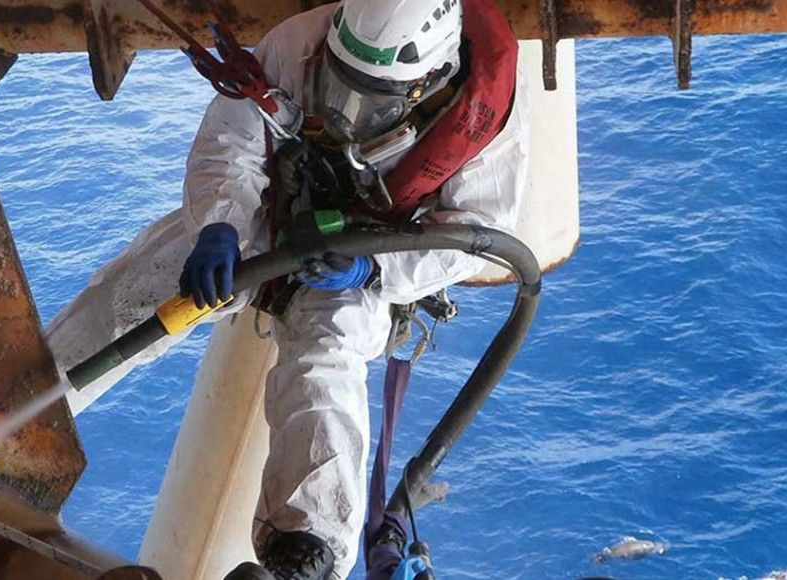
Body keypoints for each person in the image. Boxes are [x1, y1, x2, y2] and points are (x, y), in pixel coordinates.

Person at [47, 0, 530, 577]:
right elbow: (233, 139)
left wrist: (373, 271)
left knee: (325, 355)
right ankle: (27, 403)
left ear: (429, 79)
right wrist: (220, 226)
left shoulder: (483, 118)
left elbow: (474, 235)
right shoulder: (296, 43)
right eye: (342, 84)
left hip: (367, 256)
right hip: (267, 215)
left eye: (371, 98)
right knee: (134, 289)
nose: (349, 111)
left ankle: (306, 549)